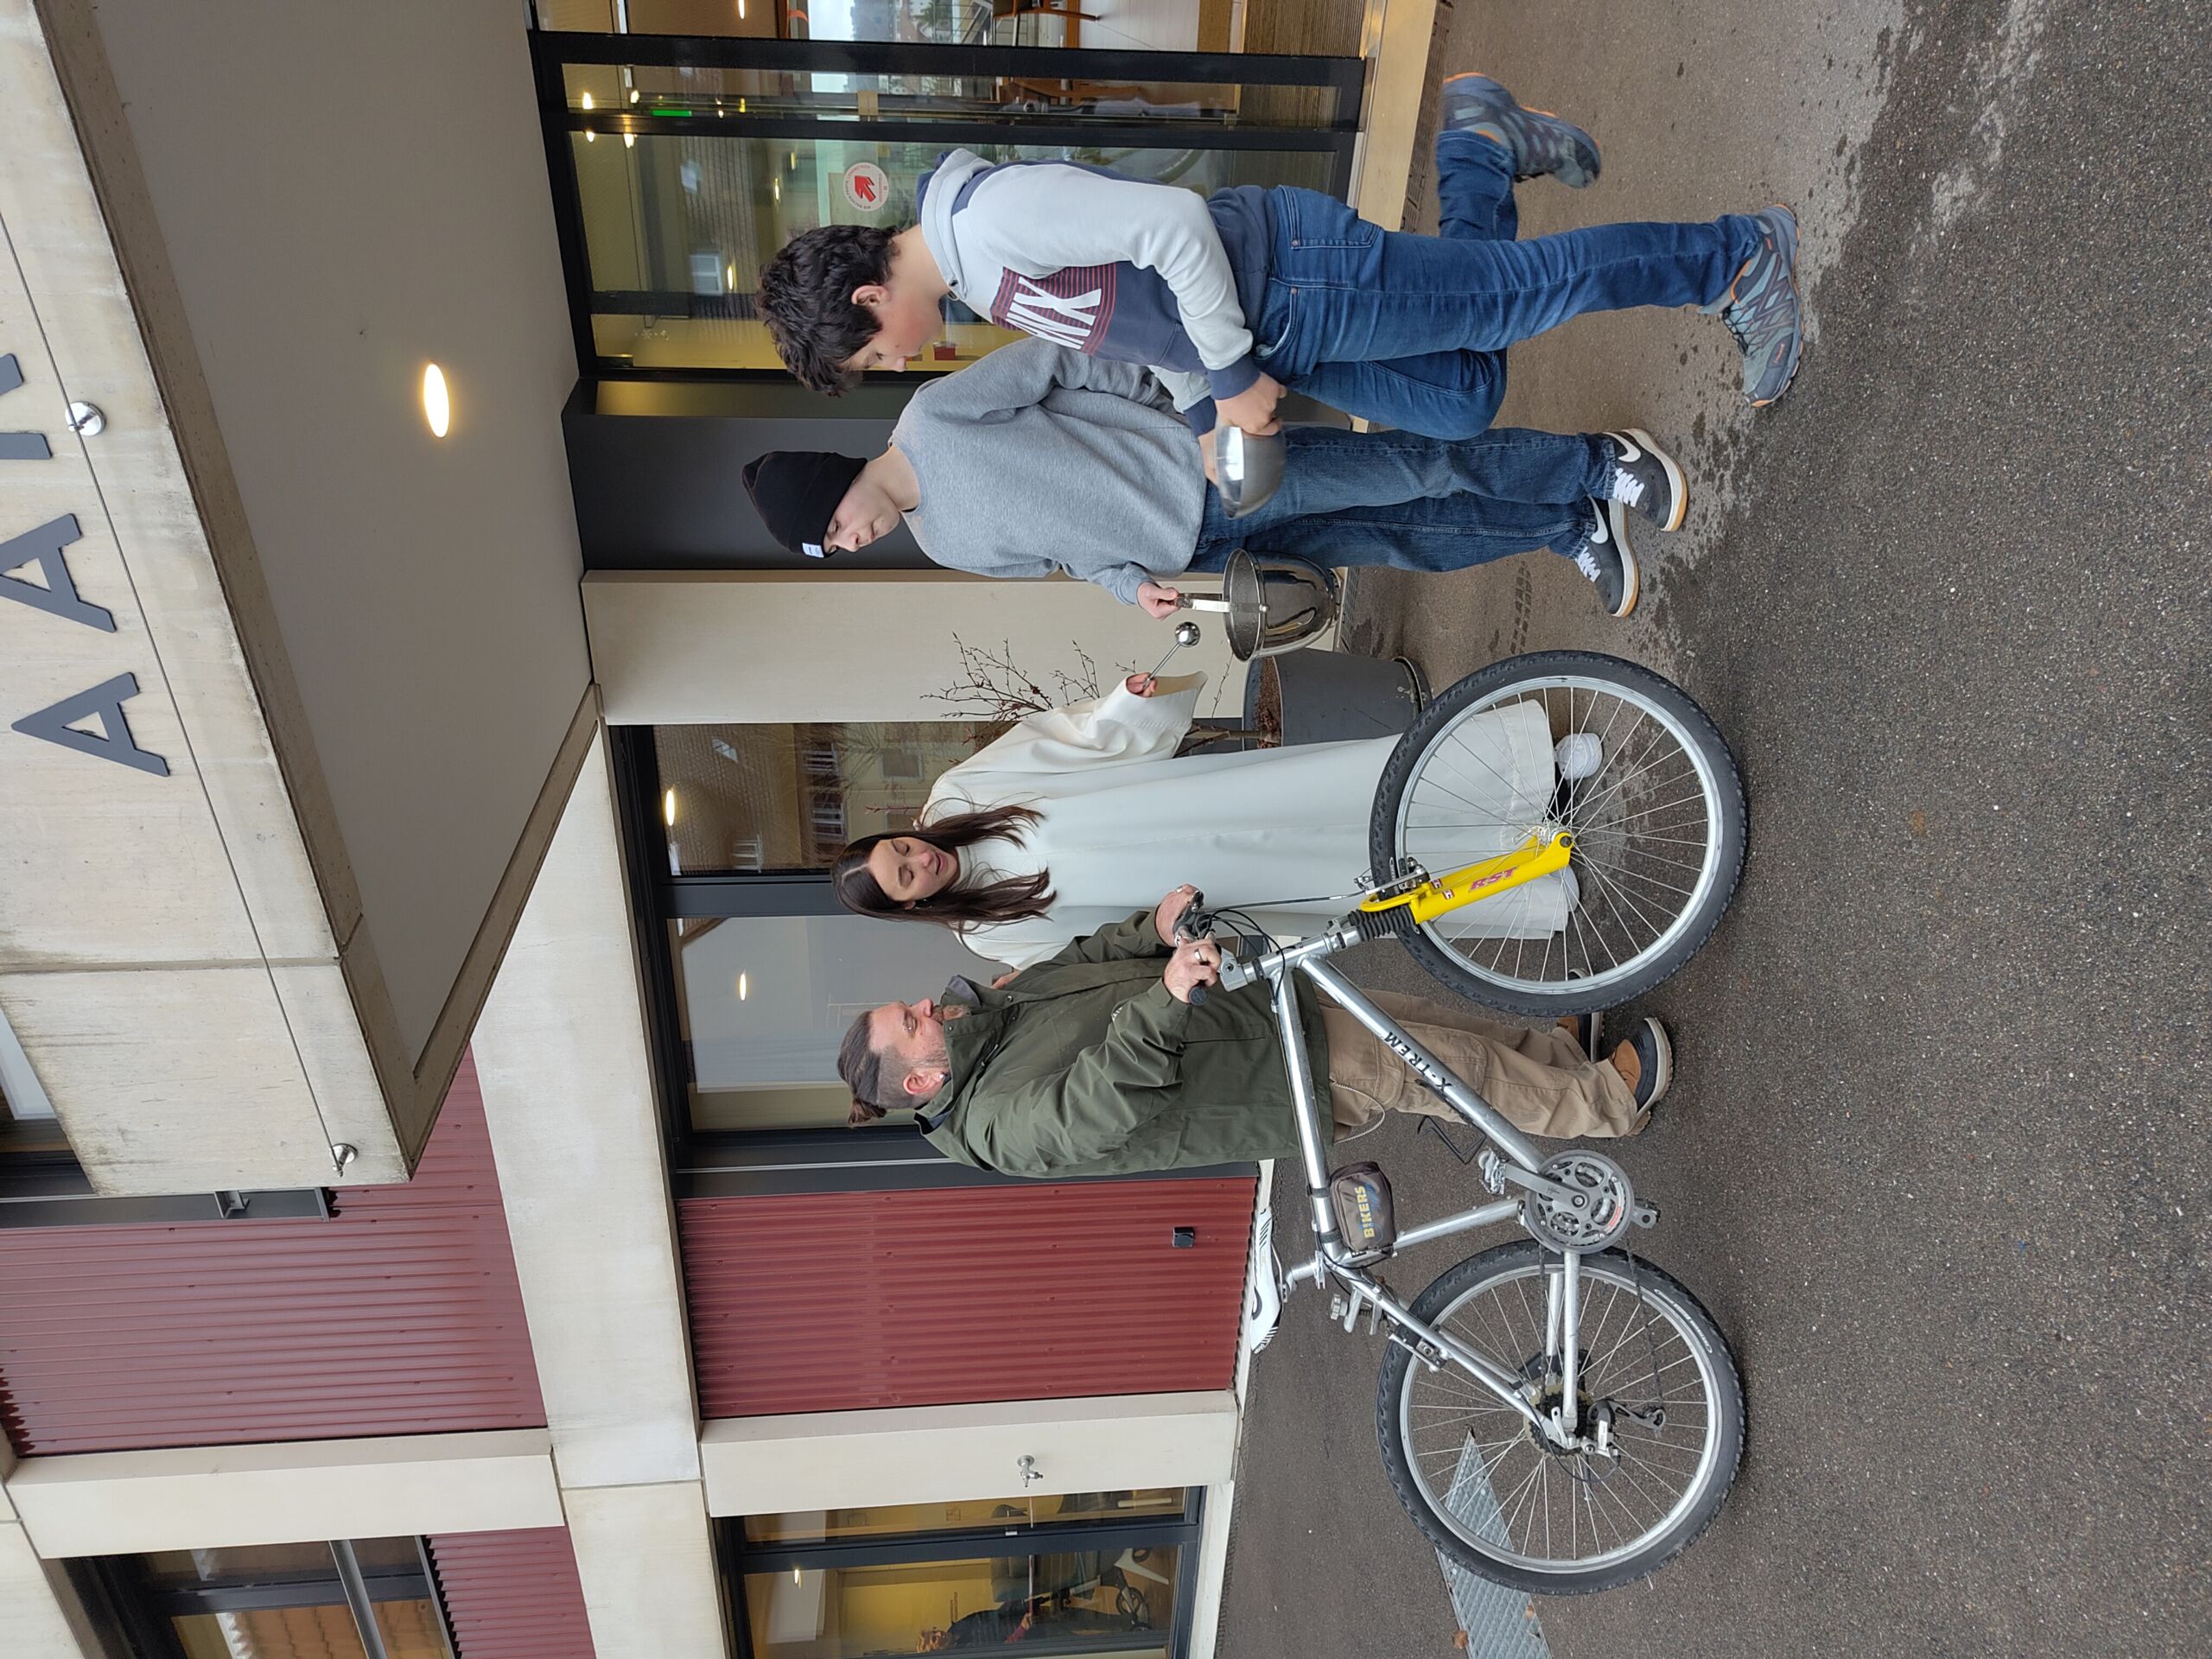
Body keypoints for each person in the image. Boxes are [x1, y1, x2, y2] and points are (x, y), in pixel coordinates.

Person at [756, 73, 1803, 446]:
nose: (898, 365)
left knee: (1513, 298)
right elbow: (1142, 321)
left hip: (1298, 279)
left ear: (869, 297)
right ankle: (1479, 145)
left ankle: (1737, 260)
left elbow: (1173, 227)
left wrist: (1225, 373)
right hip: (1282, 331)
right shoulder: (979, 278)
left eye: (874, 355)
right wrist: (1206, 414)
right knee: (1460, 400)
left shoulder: (990, 225)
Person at [741, 338, 1688, 619]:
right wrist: (1132, 588)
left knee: (1411, 466)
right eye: (836, 550)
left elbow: (1065, 360)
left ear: (833, 486)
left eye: (834, 528)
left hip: (1205, 468)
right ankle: (1567, 525)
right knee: (1395, 538)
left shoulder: (932, 418)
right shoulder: (943, 544)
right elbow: (1071, 558)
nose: (851, 542)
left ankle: (1601, 460)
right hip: (1198, 549)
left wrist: (1189, 414)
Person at [836, 894, 1671, 1173]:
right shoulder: (991, 1125)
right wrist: (1166, 997)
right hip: (1270, 1080)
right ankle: (1605, 1103)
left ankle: (1562, 1058)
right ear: (919, 1081)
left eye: (909, 1005)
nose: (925, 1006)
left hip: (1257, 1011)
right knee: (1445, 1070)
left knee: (1436, 1027)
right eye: (910, 1022)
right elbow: (1092, 1108)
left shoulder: (990, 1017)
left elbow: (1081, 960)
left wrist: (1150, 929)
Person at [831, 670, 1582, 972]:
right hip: (1208, 886)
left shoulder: (957, 798)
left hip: (1200, 799)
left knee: (1350, 785)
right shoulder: (988, 931)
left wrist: (1125, 706)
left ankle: (1532, 769)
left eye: (902, 848)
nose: (919, 858)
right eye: (906, 877)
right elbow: (1094, 953)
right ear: (912, 906)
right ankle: (1526, 880)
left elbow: (1063, 743)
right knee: (1355, 883)